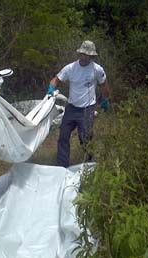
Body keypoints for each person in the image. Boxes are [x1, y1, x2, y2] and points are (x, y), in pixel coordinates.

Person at [47, 40, 111, 168]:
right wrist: (51, 89)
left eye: (88, 55)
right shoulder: (70, 68)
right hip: (71, 108)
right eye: (83, 54)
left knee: (85, 139)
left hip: (87, 109)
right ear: (80, 53)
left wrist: (105, 100)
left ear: (92, 56)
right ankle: (62, 166)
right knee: (63, 137)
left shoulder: (97, 69)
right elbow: (56, 79)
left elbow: (104, 84)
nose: (85, 57)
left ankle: (89, 164)